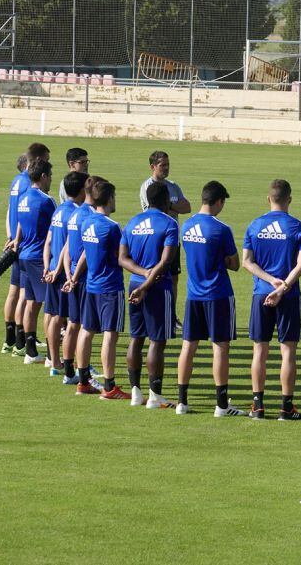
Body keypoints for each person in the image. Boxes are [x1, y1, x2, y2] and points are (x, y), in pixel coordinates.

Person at [243, 179, 301, 420]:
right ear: (289, 199)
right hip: (289, 295)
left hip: (261, 293)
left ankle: (258, 405)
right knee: (287, 352)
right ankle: (286, 407)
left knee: (259, 351)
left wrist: (270, 280)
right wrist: (282, 286)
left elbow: (247, 262)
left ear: (268, 199)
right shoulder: (298, 227)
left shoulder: (254, 225)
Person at [176, 181, 245, 417]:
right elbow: (235, 264)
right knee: (220, 348)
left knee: (188, 347)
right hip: (218, 294)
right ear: (218, 202)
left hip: (193, 294)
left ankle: (182, 402)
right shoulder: (221, 229)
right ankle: (221, 404)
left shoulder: (186, 225)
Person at [69, 180, 131, 399]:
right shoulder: (112, 227)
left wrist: (75, 278)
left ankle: (83, 381)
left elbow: (85, 252)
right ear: (109, 199)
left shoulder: (86, 222)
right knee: (110, 335)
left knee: (86, 331)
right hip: (110, 287)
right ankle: (109, 386)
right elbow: (120, 257)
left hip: (91, 285)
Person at [120, 182, 180, 408]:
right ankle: (155, 394)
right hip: (157, 287)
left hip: (134, 284)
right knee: (157, 341)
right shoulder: (169, 224)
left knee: (136, 337)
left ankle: (135, 392)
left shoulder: (133, 222)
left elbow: (122, 258)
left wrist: (141, 275)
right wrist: (148, 282)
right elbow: (166, 261)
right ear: (166, 200)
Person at [4, 143, 50, 356]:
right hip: (29, 246)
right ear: (37, 160)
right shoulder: (28, 186)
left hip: (19, 243)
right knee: (26, 295)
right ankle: (22, 342)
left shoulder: (16, 181)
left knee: (18, 292)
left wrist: (11, 236)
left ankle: (14, 341)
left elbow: (10, 211)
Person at [140, 150, 192, 331]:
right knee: (153, 275)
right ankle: (151, 313)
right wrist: (172, 207)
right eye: (163, 165)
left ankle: (171, 314)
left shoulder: (173, 186)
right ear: (153, 166)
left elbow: (187, 207)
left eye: (168, 165)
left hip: (173, 240)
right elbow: (154, 212)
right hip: (156, 240)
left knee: (174, 278)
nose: (166, 168)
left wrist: (169, 205)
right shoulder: (147, 186)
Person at [43, 171, 87, 380]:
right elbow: (67, 248)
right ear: (81, 191)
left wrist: (47, 267)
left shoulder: (60, 209)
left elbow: (49, 240)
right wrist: (60, 271)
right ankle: (76, 365)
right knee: (71, 321)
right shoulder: (76, 213)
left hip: (52, 267)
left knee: (53, 315)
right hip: (64, 272)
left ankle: (54, 361)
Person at [59, 176, 102, 389]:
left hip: (73, 276)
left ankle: (69, 373)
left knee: (73, 325)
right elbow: (87, 251)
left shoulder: (75, 214)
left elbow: (67, 248)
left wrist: (68, 275)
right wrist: (75, 278)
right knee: (86, 328)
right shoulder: (92, 216)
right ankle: (84, 376)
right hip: (85, 279)